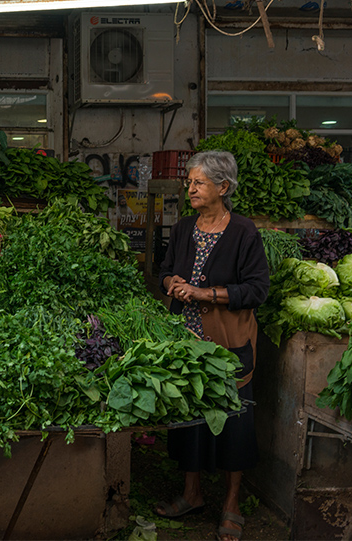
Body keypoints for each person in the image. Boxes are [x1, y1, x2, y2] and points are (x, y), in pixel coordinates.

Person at [156, 150, 270, 541]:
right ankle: (191, 494)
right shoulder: (185, 225)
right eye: (189, 182)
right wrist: (172, 284)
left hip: (226, 342)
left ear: (223, 186)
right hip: (186, 341)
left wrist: (207, 293)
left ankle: (232, 503)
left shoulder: (243, 232)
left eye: (198, 183)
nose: (190, 188)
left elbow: (257, 289)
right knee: (188, 419)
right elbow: (165, 269)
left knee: (233, 421)